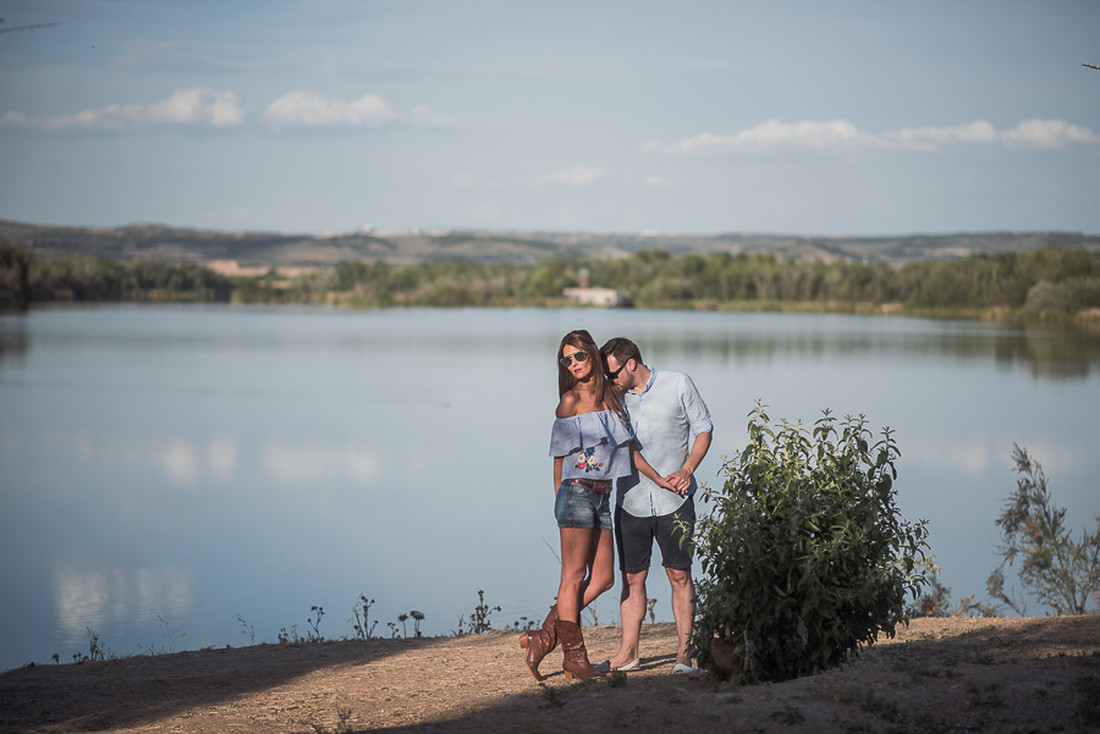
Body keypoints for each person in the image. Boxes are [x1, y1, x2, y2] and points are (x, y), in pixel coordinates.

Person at [520, 329, 673, 682]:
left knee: (603, 578)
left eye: (579, 356)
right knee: (572, 577)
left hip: (604, 496)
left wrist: (660, 479)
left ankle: (544, 638)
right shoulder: (569, 402)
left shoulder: (612, 397)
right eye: (566, 359)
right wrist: (560, 495)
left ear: (592, 354)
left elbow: (629, 449)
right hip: (576, 493)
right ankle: (575, 659)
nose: (573, 364)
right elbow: (558, 459)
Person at [597, 336, 713, 674]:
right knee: (632, 578)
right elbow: (623, 446)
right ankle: (628, 654)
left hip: (675, 499)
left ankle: (684, 655)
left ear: (631, 363)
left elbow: (704, 429)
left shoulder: (679, 383)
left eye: (613, 373)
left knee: (679, 574)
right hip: (631, 501)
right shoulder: (614, 399)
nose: (610, 380)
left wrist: (688, 469)